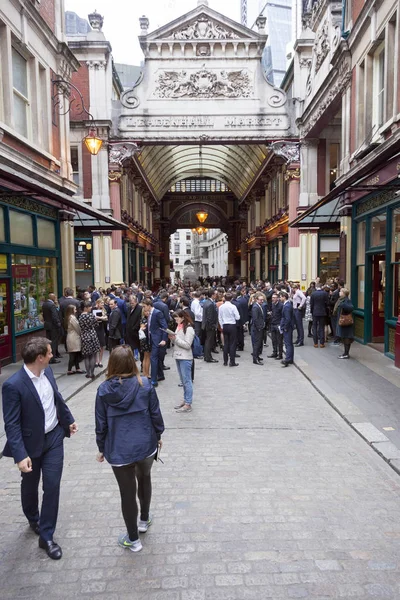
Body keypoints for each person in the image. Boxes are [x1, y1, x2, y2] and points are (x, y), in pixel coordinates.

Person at [2, 338, 78, 559]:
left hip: (54, 437)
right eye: (49, 352)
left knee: (52, 486)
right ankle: (32, 517)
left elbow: (57, 399)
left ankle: (46, 536)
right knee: (30, 484)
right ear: (39, 358)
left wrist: (68, 420)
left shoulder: (49, 372)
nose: (53, 355)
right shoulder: (13, 385)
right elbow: (12, 424)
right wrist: (20, 455)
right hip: (30, 444)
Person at [95, 346, 164, 553]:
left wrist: (101, 447)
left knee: (127, 493)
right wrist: (158, 435)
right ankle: (143, 519)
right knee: (145, 479)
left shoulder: (104, 390)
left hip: (119, 449)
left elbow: (101, 424)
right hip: (145, 445)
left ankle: (133, 539)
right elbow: (155, 414)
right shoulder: (145, 385)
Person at [168, 309, 195, 413]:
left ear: (182, 318)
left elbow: (187, 345)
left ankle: (188, 403)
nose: (175, 320)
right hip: (179, 356)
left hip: (185, 357)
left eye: (177, 318)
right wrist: (172, 338)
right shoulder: (179, 327)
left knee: (187, 381)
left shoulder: (189, 329)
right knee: (183, 381)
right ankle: (185, 400)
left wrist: (175, 339)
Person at [142, 300, 168, 387]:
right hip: (152, 339)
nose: (143, 308)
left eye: (144, 306)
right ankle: (160, 375)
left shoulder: (157, 313)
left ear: (149, 305)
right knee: (157, 358)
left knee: (153, 358)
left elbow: (164, 326)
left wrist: (164, 339)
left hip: (157, 339)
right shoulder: (150, 313)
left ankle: (153, 381)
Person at [79, 301, 101, 379]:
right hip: (92, 335)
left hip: (84, 336)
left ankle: (88, 373)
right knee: (93, 355)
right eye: (89, 307)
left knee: (86, 356)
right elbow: (96, 324)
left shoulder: (80, 317)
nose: (91, 308)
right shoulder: (91, 315)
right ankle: (92, 373)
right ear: (86, 308)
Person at [218, 293, 240, 367]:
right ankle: (232, 361)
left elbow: (219, 317)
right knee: (232, 344)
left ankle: (225, 361)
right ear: (231, 299)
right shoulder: (233, 306)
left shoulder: (221, 307)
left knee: (226, 343)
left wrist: (222, 325)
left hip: (225, 325)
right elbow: (237, 317)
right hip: (232, 325)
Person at [333, 288, 355, 359]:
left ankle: (346, 354)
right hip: (342, 321)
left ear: (343, 293)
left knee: (346, 338)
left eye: (340, 291)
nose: (339, 292)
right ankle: (345, 353)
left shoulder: (346, 300)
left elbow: (351, 307)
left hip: (346, 323)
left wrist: (343, 305)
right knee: (344, 338)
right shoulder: (341, 300)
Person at [42, 293, 61, 363]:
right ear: (52, 298)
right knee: (53, 341)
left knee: (48, 341)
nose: (56, 298)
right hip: (53, 326)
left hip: (47, 325)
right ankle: (52, 358)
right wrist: (58, 323)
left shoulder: (44, 304)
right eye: (55, 297)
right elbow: (54, 316)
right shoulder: (52, 305)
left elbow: (44, 315)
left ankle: (48, 356)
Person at [64, 305, 84, 375]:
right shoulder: (72, 318)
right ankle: (69, 369)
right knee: (73, 354)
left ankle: (77, 368)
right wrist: (81, 334)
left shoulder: (68, 317)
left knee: (75, 354)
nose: (76, 310)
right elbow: (77, 327)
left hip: (71, 336)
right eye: (75, 309)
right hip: (74, 337)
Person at [202, 289, 219, 363]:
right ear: (212, 295)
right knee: (209, 341)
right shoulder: (210, 304)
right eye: (215, 294)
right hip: (210, 326)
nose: (216, 295)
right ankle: (208, 357)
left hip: (206, 325)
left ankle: (207, 356)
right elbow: (210, 317)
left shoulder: (207, 302)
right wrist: (213, 326)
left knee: (208, 341)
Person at [280, 291, 294, 367]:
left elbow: (287, 318)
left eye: (280, 297)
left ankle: (288, 359)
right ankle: (290, 358)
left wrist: (285, 327)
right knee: (289, 343)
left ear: (284, 297)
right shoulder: (287, 305)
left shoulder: (287, 306)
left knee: (288, 343)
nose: (280, 298)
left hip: (287, 328)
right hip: (288, 327)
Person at [268, 292, 283, 360]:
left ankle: (280, 354)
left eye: (274, 298)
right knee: (273, 340)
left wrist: (281, 325)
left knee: (279, 341)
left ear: (278, 298)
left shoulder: (281, 305)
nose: (273, 299)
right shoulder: (273, 304)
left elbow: (282, 316)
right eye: (272, 298)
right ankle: (274, 352)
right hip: (273, 324)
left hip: (278, 325)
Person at [93, 298, 108, 368]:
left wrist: (99, 317)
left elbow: (106, 318)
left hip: (101, 328)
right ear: (98, 303)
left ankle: (100, 361)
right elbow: (93, 318)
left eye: (103, 303)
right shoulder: (93, 309)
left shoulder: (104, 310)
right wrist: (102, 317)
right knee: (96, 345)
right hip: (95, 328)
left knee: (101, 346)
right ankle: (96, 361)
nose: (103, 304)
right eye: (101, 303)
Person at [251, 293, 265, 365]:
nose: (262, 301)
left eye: (262, 300)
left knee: (259, 343)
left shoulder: (259, 306)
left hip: (259, 327)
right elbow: (255, 319)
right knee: (256, 343)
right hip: (257, 329)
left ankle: (257, 356)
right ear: (256, 300)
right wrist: (259, 327)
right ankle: (255, 359)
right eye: (260, 300)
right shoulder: (255, 307)